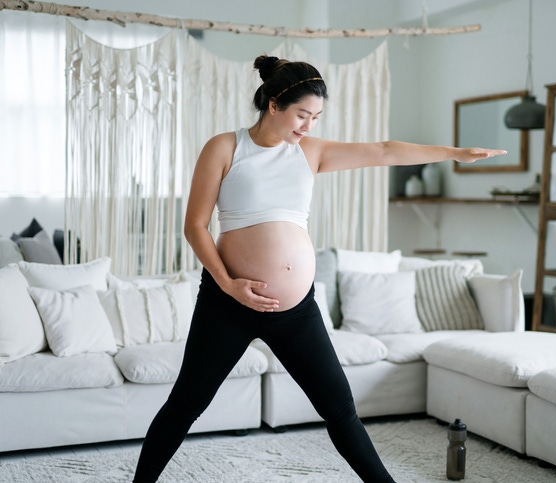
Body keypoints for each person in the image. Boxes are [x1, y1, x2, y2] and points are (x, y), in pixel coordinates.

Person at [132, 54, 506, 483]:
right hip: (228, 303)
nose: (308, 126)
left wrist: (454, 154)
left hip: (296, 312)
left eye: (316, 117)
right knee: (185, 404)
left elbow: (384, 151)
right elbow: (195, 226)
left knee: (340, 410)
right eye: (301, 115)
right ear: (273, 104)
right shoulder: (225, 147)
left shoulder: (309, 152)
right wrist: (229, 284)